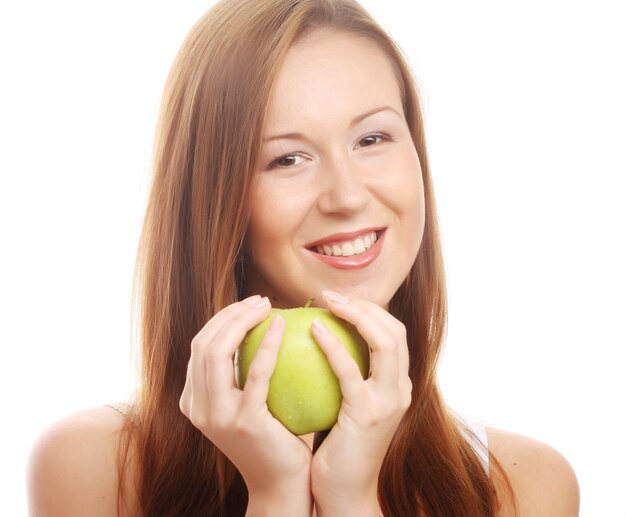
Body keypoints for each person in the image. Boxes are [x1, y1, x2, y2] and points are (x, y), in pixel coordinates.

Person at [27, 0, 580, 515]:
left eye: (372, 139)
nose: (348, 196)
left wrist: (351, 500)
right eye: (288, 158)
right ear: (214, 200)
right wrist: (273, 498)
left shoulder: (522, 485)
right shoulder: (95, 468)